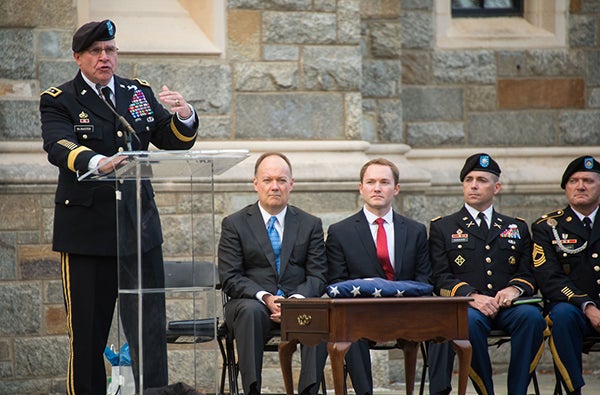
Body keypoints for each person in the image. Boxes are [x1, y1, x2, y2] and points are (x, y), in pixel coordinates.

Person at [40, 20, 199, 395]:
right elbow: (57, 146)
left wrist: (184, 114)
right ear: (78, 57)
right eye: (96, 51)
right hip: (87, 234)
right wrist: (97, 162)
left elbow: (171, 140)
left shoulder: (136, 92)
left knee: (148, 330)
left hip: (138, 232)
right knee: (88, 334)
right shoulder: (59, 99)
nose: (105, 58)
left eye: (110, 50)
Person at [428, 153, 547, 395]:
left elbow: (530, 272)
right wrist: (471, 296)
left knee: (532, 318)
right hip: (470, 306)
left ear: (497, 187)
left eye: (482, 179)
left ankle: (517, 390)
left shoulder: (516, 226)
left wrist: (514, 289)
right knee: (468, 324)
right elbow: (439, 276)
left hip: (509, 307)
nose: (473, 185)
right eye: (468, 179)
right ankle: (486, 391)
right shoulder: (443, 227)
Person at [317, 158, 432, 395]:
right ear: (361, 188)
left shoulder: (415, 230)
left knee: (446, 323)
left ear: (396, 188)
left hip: (407, 313)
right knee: (350, 326)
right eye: (370, 182)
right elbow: (335, 283)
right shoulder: (341, 232)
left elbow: (425, 280)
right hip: (362, 315)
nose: (377, 188)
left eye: (384, 182)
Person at [218, 152, 327, 395]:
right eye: (267, 180)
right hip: (250, 304)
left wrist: (293, 303)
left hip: (297, 304)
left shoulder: (310, 224)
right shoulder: (234, 224)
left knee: (317, 311)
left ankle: (308, 391)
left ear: (291, 184)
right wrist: (266, 298)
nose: (275, 187)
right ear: (255, 184)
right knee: (251, 311)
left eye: (281, 180)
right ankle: (252, 390)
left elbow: (318, 275)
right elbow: (230, 276)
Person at [531, 155, 600, 395]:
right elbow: (549, 279)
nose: (580, 186)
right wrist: (588, 307)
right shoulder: (547, 227)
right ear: (566, 187)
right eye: (573, 181)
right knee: (560, 315)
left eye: (588, 181)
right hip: (575, 308)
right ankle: (573, 390)